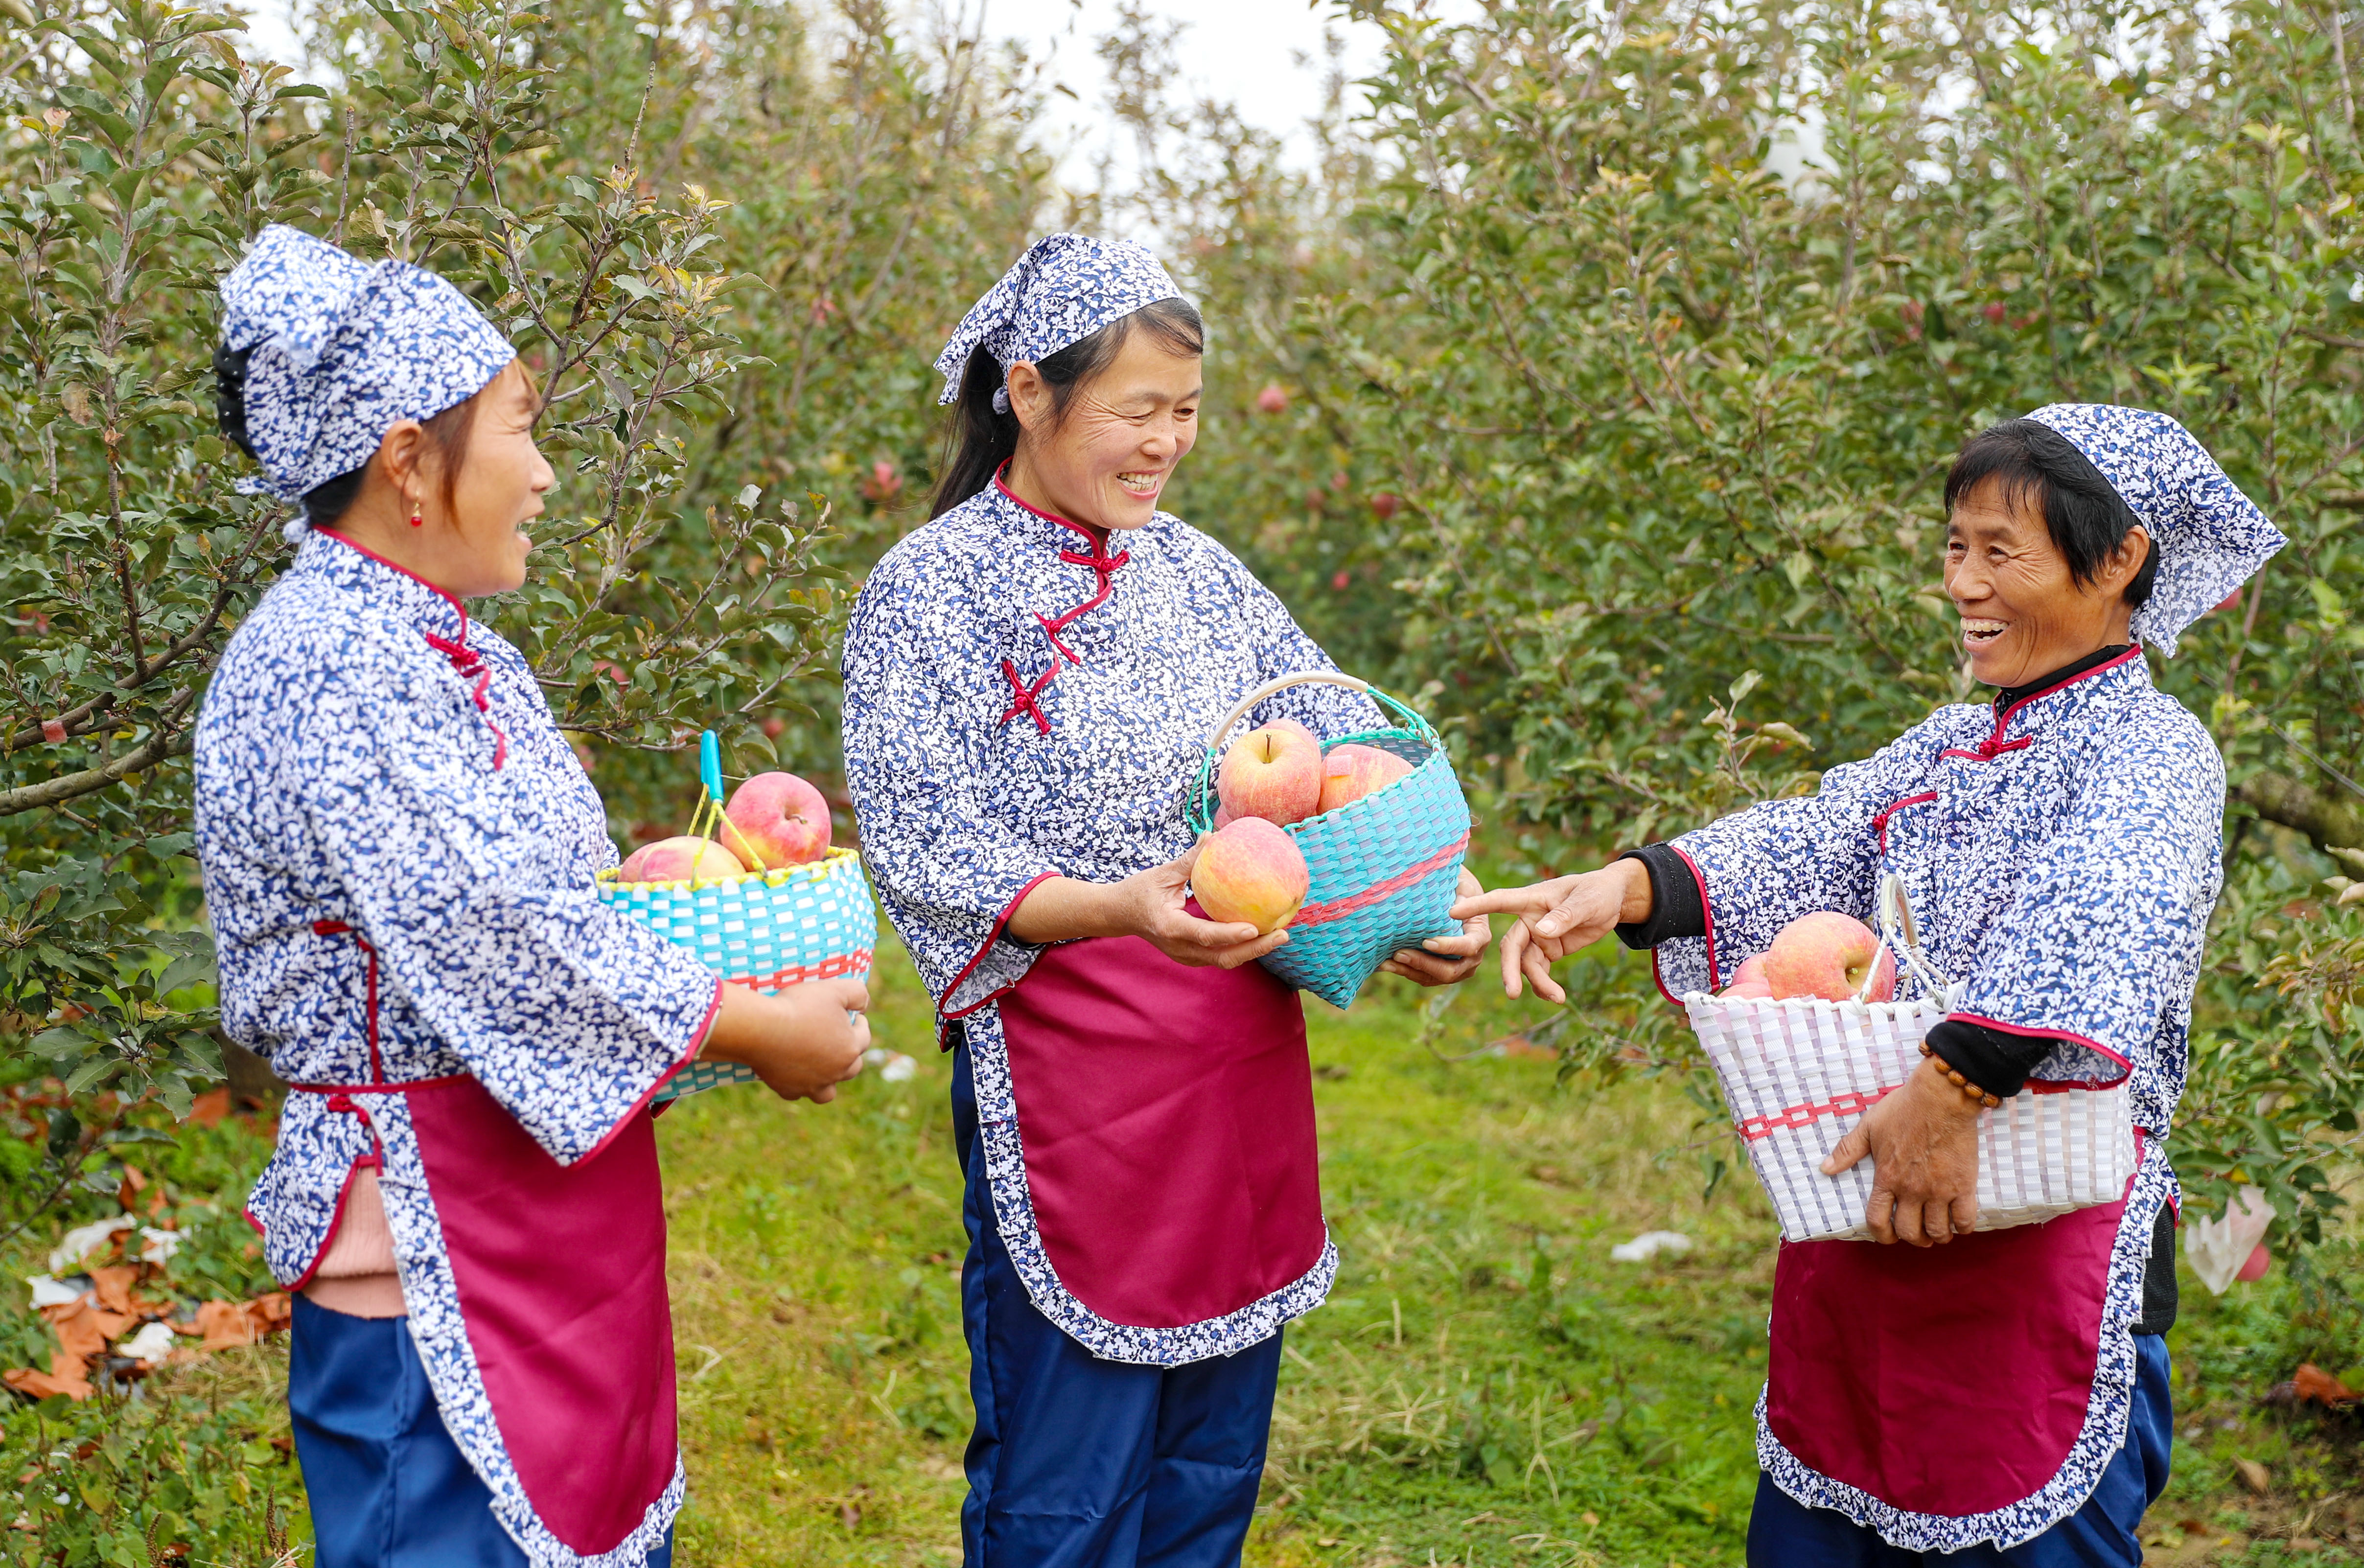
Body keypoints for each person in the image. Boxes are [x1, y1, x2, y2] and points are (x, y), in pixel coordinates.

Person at [1454, 406, 2284, 1565]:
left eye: (2004, 552)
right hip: (1873, 1239)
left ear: (2120, 559)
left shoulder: (2152, 751)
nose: (1965, 584)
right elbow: (1812, 841)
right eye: (1957, 547)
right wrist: (1623, 889)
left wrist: (1948, 1096)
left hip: (2043, 1252)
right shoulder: (1948, 748)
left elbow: (2103, 923)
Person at [194, 224, 871, 1568]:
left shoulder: (446, 649)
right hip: (436, 1245)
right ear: (409, 465)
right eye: (520, 425)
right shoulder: (342, 663)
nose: (547, 471)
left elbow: (530, 897)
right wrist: (749, 1024)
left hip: (543, 1211)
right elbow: (497, 937)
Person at [841, 233, 1489, 1567]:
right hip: (1075, 1067)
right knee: (1062, 1477)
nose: (1168, 443)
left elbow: (1330, 742)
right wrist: (1111, 906)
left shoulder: (1197, 575)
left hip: (1235, 1069)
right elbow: (918, 837)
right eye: (1138, 410)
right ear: (1028, 392)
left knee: (1208, 1456)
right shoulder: (930, 592)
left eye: (1185, 410)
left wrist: (1419, 893)